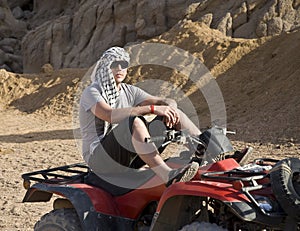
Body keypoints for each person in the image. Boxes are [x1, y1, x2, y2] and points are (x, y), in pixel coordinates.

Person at [79, 46, 201, 187]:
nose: (119, 68)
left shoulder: (129, 90)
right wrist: (152, 109)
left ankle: (205, 149)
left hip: (127, 155)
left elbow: (165, 102)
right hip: (100, 159)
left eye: (123, 64)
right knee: (134, 121)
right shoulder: (92, 92)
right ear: (106, 67)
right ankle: (167, 175)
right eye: (114, 64)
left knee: (174, 112)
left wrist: (170, 109)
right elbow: (109, 115)